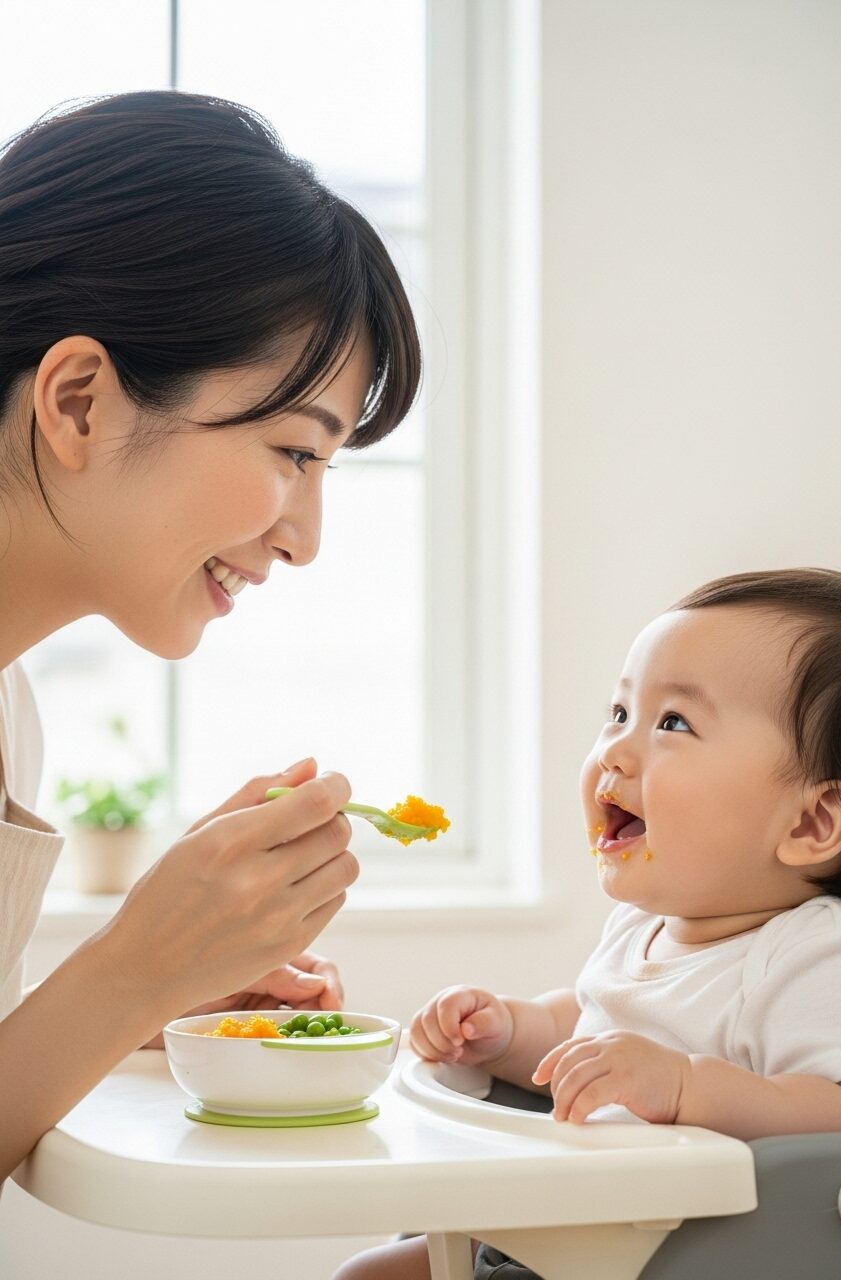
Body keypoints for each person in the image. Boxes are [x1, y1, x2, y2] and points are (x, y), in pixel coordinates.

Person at [0, 89, 421, 1184]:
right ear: (80, 401)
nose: (305, 539)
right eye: (295, 452)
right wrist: (131, 970)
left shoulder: (11, 708)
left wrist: (157, 987)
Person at [335, 567, 841, 1280]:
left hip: (681, 1258)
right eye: (620, 712)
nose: (614, 750)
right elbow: (586, 1035)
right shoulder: (642, 928)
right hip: (564, 1230)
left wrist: (687, 1088)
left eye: (673, 723)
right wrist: (506, 1033)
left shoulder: (822, 957)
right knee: (367, 1273)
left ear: (812, 822)